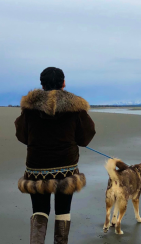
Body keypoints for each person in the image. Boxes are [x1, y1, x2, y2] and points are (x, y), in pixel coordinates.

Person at [15, 67, 96, 244]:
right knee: (63, 210)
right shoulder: (76, 108)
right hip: (66, 167)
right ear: (63, 83)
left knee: (39, 211)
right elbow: (85, 138)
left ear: (42, 84)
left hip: (36, 167)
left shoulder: (29, 108)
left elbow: (22, 136)